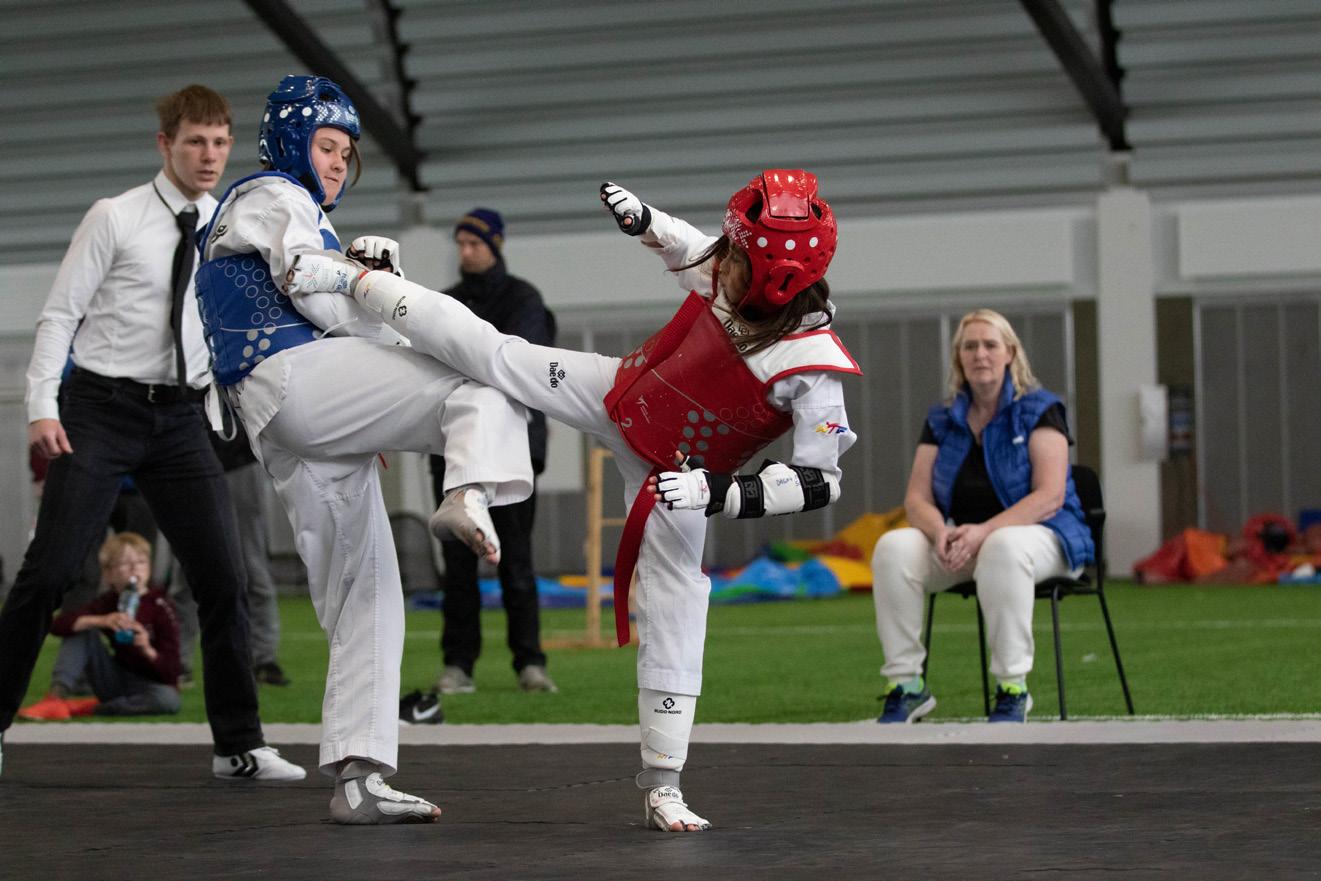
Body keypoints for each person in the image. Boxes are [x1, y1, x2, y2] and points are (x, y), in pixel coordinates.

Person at [294, 169, 860, 832]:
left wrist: (718, 493)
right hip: (616, 392)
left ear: (775, 279)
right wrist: (645, 220)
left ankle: (663, 786)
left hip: (679, 477)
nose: (720, 258)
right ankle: (356, 281)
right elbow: (687, 246)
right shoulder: (729, 270)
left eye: (735, 253)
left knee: (678, 605)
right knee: (495, 355)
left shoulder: (811, 364)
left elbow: (821, 480)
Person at [195, 75, 533, 824]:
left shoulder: (255, 212)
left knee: (365, 591)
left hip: (280, 415)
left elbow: (327, 309)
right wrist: (367, 284)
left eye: (347, 153)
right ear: (291, 142)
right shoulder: (277, 196)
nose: (339, 162)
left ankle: (359, 779)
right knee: (481, 377)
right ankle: (468, 490)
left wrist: (363, 288)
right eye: (326, 146)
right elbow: (309, 286)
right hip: (299, 382)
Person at [0, 84, 304, 782]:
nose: (210, 155)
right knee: (49, 572)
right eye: (196, 141)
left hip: (182, 417)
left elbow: (261, 332)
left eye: (221, 142)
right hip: (99, 408)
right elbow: (59, 315)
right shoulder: (115, 216)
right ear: (165, 144)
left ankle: (239, 746)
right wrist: (41, 406)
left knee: (223, 578)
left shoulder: (232, 227)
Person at [870, 309, 1093, 724]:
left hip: (1046, 537)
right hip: (967, 542)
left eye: (990, 344)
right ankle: (907, 685)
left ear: (1010, 353)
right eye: (970, 346)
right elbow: (916, 499)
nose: (980, 354)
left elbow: (1050, 496)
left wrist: (984, 532)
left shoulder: (1041, 409)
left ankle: (1012, 687)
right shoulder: (942, 419)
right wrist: (939, 532)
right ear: (959, 357)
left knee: (1002, 545)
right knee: (893, 547)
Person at [429, 208, 557, 696]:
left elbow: (517, 362)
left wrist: (469, 363)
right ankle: (458, 665)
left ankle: (531, 664)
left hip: (513, 450)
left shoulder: (523, 298)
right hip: (450, 452)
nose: (466, 252)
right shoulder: (444, 302)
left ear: (496, 245)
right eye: (460, 244)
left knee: (516, 562)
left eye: (475, 243)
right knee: (458, 567)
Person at [19, 533, 181, 720]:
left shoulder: (160, 606)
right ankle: (56, 698)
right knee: (81, 628)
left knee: (168, 700)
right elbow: (58, 625)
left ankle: (90, 708)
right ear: (108, 573)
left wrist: (147, 648)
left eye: (141, 562)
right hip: (115, 678)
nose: (135, 568)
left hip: (151, 685)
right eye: (125, 563)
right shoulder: (108, 602)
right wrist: (102, 620)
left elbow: (172, 672)